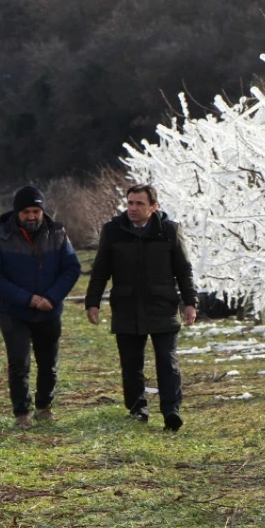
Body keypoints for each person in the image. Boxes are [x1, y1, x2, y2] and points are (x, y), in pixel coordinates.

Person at [84, 184, 197, 431]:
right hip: (126, 306)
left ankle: (171, 411)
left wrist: (190, 303)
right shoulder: (113, 231)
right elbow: (101, 269)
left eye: (139, 204)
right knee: (131, 363)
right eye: (130, 203)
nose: (133, 208)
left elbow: (183, 270)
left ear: (153, 207)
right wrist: (92, 302)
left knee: (167, 361)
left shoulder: (169, 231)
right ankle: (138, 409)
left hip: (163, 306)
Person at [0, 186, 82, 429]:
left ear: (42, 211)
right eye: (26, 211)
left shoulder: (58, 234)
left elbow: (71, 268)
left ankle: (44, 407)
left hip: (49, 309)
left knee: (48, 362)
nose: (31, 216)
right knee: (19, 362)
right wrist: (28, 299)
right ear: (17, 212)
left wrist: (52, 297)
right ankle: (22, 412)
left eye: (36, 211)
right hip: (13, 310)